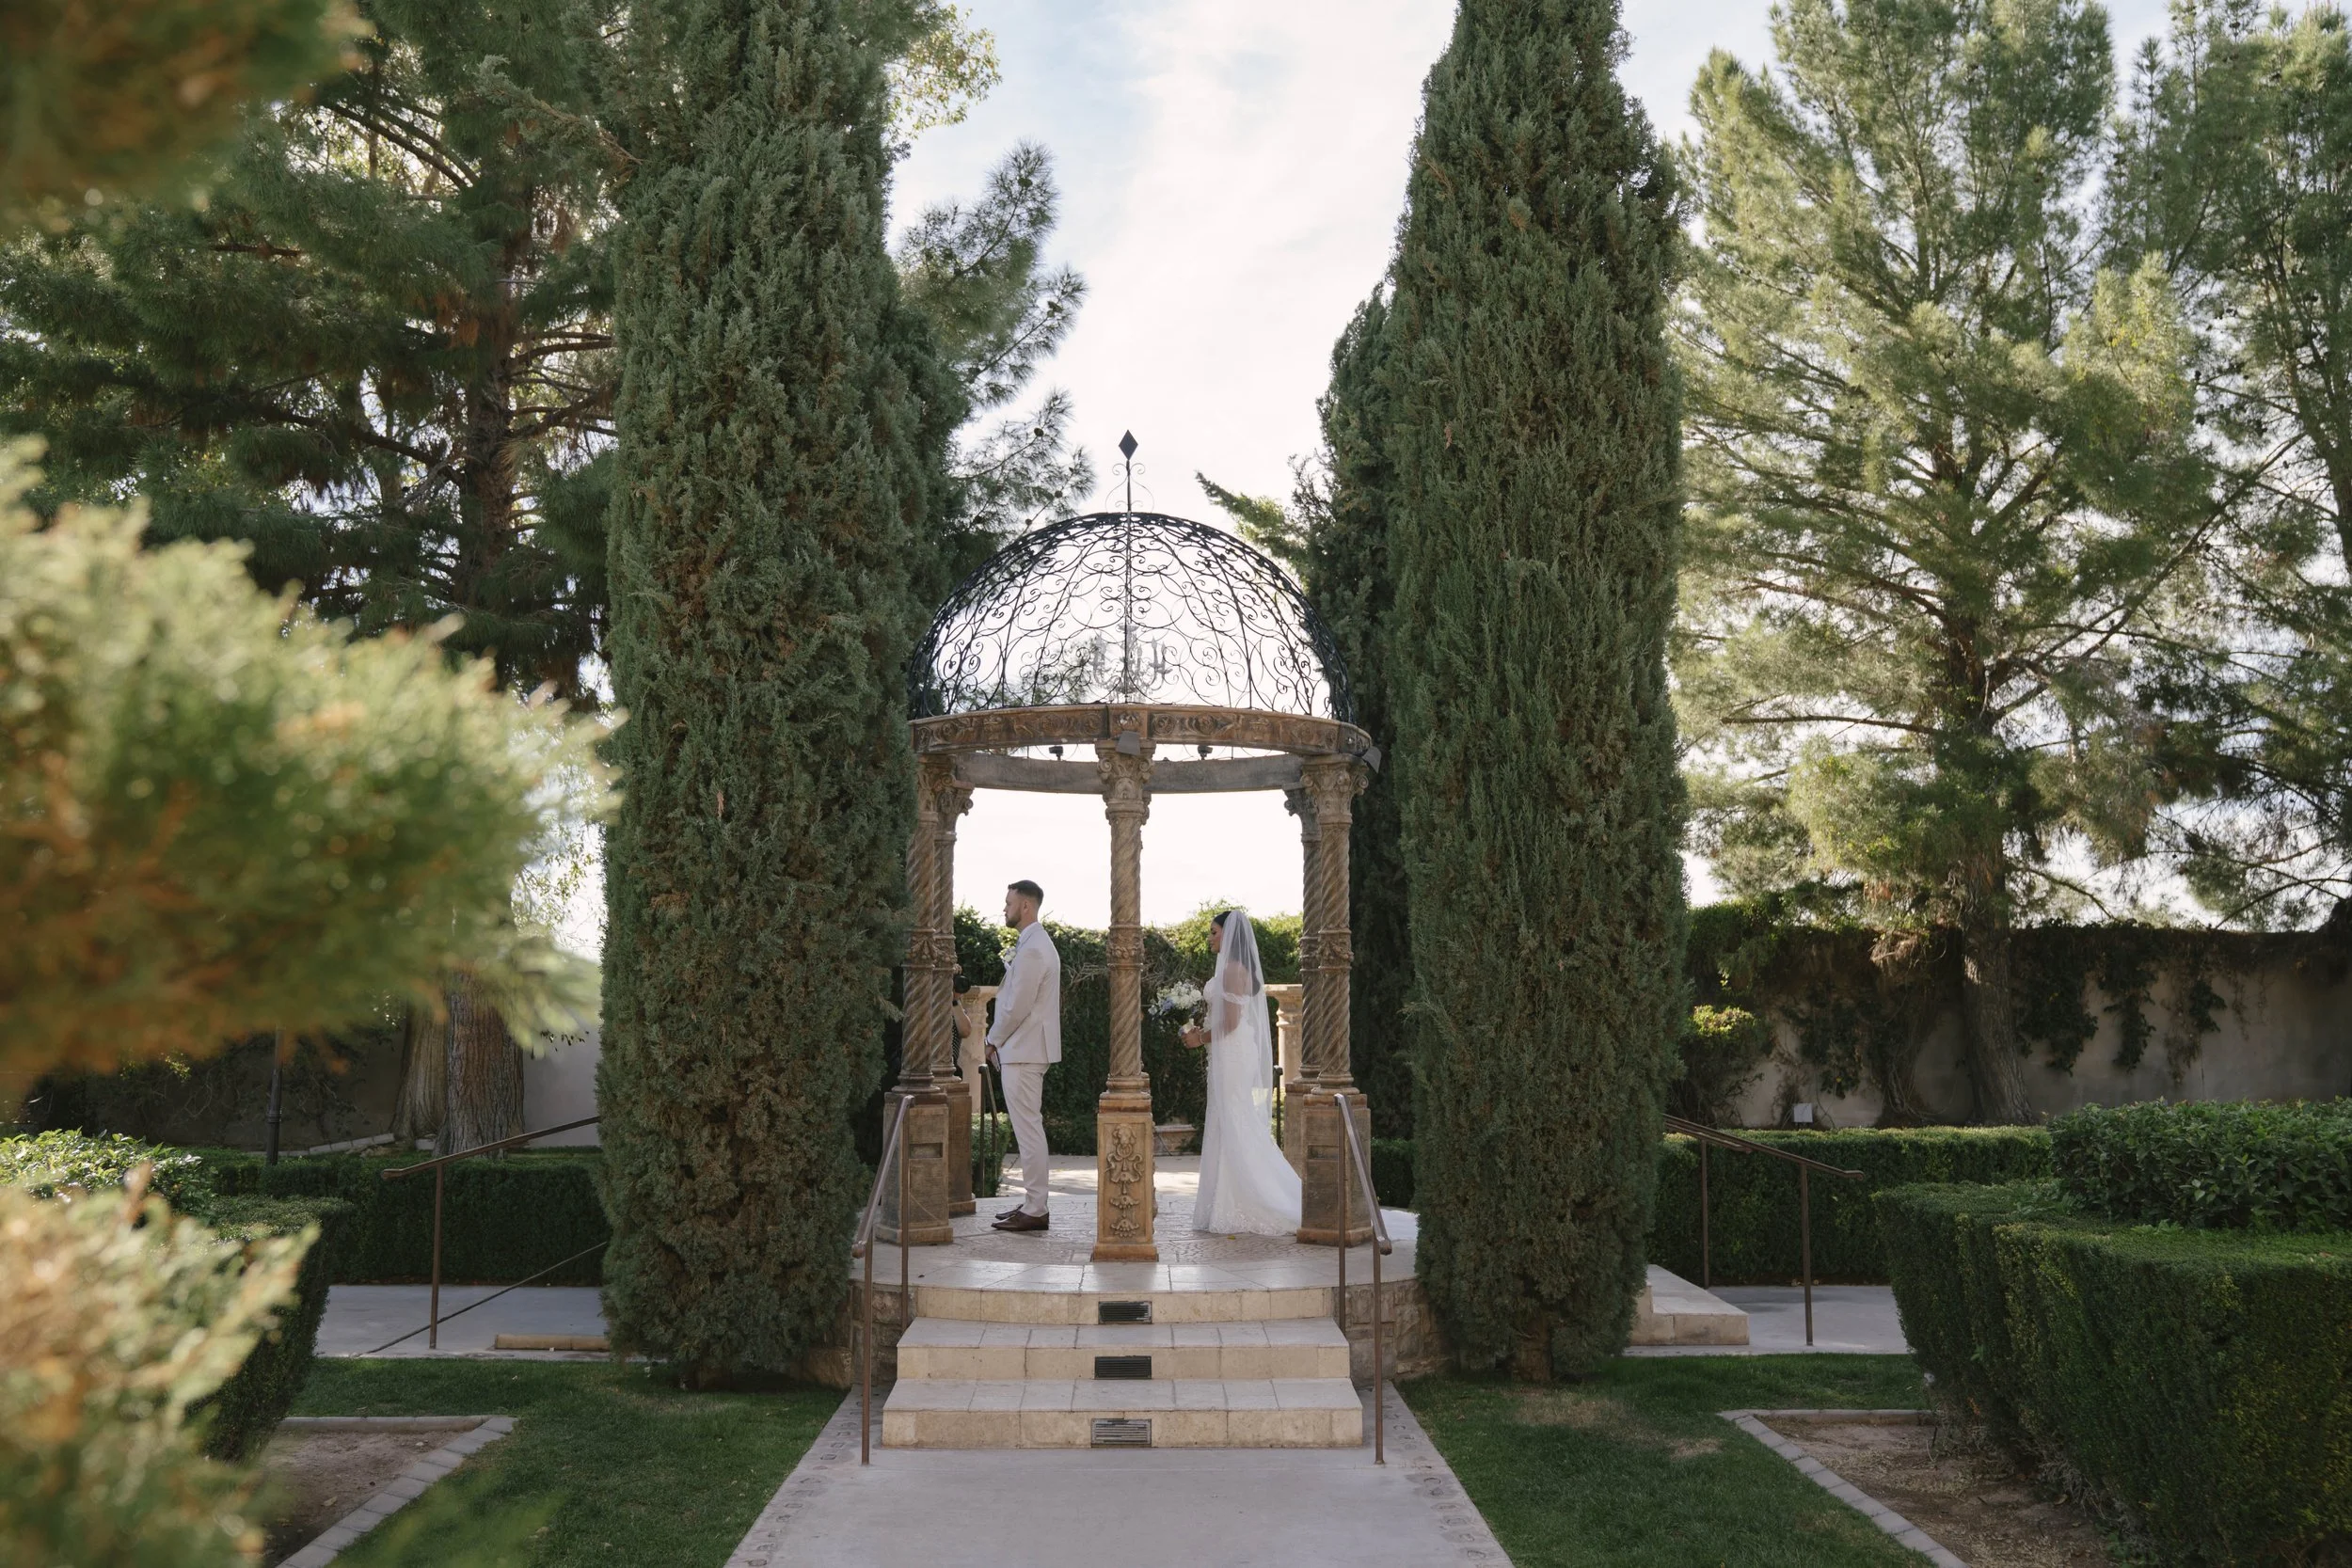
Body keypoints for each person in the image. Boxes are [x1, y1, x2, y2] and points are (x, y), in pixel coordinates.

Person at [1181, 909, 1301, 1234]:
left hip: (1233, 1052)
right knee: (1226, 1119)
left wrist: (1200, 1039)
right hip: (1226, 1051)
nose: (1210, 938)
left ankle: (1256, 1201)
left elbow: (1232, 1023)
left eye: (1214, 932)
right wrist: (1201, 1032)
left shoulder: (1234, 969)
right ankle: (1227, 1202)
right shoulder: (1230, 968)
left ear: (1229, 935)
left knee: (1235, 1118)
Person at [984, 879, 1059, 1232]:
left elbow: (1017, 1006)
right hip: (1026, 1049)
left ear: (1025, 906)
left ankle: (1036, 1208)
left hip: (1024, 1050)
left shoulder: (1033, 948)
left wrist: (992, 1039)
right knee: (1028, 1128)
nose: (1004, 908)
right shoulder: (1033, 943)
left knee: (1028, 1131)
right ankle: (1033, 1202)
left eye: (1009, 902)